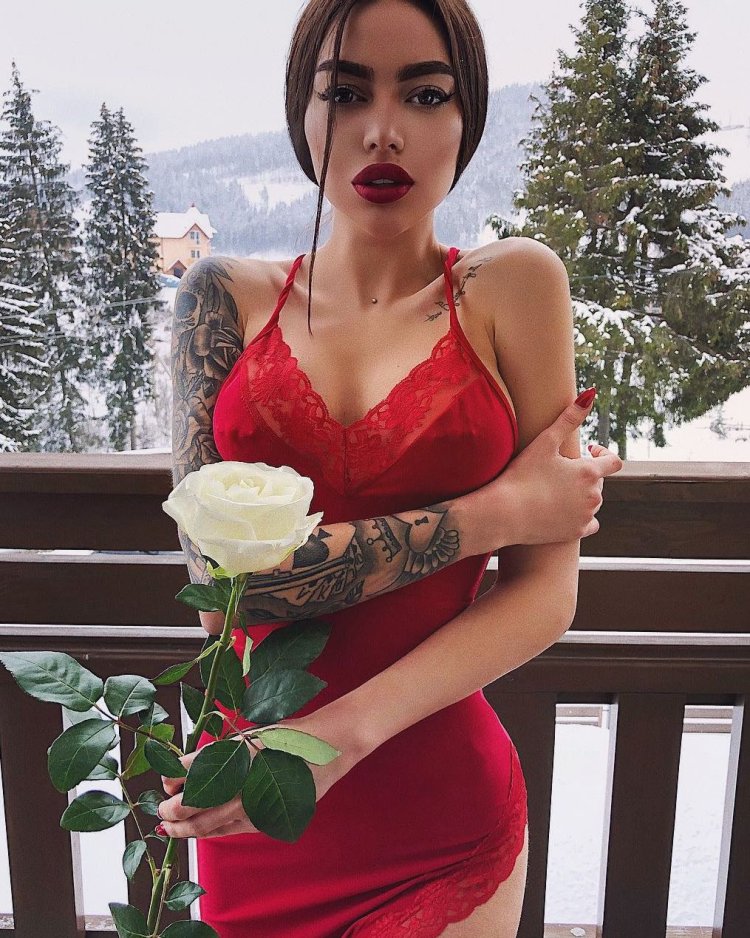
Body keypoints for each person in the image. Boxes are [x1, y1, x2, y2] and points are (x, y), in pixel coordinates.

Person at [162, 0, 624, 935]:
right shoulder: (221, 299)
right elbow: (220, 593)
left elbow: (547, 593)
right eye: (345, 93)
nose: (382, 130)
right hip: (252, 798)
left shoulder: (514, 286)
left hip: (436, 812)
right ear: (301, 113)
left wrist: (340, 736)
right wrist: (499, 513)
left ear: (467, 117)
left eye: (424, 94)